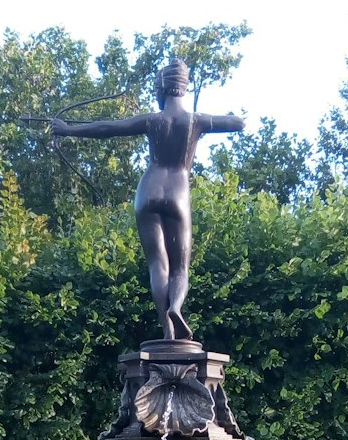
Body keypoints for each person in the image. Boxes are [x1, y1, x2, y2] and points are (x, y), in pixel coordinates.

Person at [52, 59, 243, 340]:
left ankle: (167, 328)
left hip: (148, 190)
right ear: (183, 88)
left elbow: (108, 128)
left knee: (158, 264)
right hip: (177, 192)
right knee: (180, 267)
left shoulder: (152, 120)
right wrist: (211, 121)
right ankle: (175, 308)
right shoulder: (196, 121)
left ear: (161, 90)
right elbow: (238, 123)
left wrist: (68, 129)